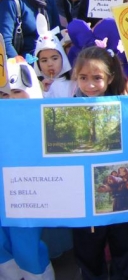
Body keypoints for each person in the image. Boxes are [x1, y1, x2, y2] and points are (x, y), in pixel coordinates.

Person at [71, 45, 128, 280]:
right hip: (83, 199)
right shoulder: (65, 110)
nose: (90, 84)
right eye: (83, 78)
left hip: (121, 198)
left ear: (110, 77)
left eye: (97, 78)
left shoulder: (127, 108)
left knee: (124, 246)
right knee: (88, 251)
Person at [0, 58, 55, 280]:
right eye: (4, 94)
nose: (10, 99)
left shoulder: (41, 123)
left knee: (26, 247)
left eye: (16, 91)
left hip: (26, 197)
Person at [32, 13, 75, 98]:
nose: (50, 64)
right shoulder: (35, 87)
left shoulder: (74, 85)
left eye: (55, 58)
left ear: (63, 58)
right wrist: (45, 91)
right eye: (44, 60)